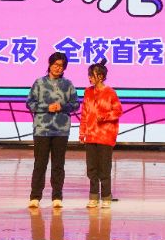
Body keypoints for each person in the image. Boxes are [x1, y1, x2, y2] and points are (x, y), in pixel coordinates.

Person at [27, 52, 79, 209]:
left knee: (58, 165)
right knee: (40, 164)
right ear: (50, 65)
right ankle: (35, 197)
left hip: (61, 130)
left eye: (61, 66)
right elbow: (30, 103)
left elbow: (75, 104)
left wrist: (62, 107)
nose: (58, 68)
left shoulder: (68, 84)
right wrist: (46, 107)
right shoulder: (39, 83)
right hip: (42, 129)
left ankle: (57, 196)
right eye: (55, 65)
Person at [78, 57, 123, 208]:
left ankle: (106, 197)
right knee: (92, 168)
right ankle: (93, 196)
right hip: (91, 136)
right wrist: (82, 132)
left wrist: (104, 116)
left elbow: (118, 111)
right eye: (89, 75)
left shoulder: (110, 92)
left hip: (105, 136)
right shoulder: (88, 92)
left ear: (101, 76)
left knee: (104, 168)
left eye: (92, 75)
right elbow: (84, 113)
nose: (89, 78)